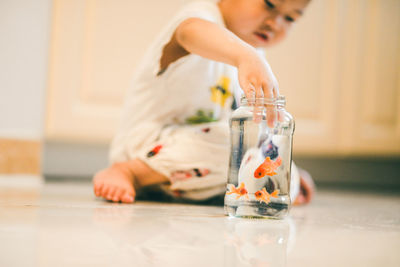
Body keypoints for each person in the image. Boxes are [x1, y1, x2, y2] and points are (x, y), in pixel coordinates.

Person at [93, 0, 315, 204]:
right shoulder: (202, 20)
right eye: (269, 4)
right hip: (146, 149)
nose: (275, 23)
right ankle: (128, 172)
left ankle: (272, 180)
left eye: (290, 18)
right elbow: (189, 33)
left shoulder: (252, 55)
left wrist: (280, 167)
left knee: (276, 167)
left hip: (194, 168)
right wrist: (246, 57)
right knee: (232, 143)